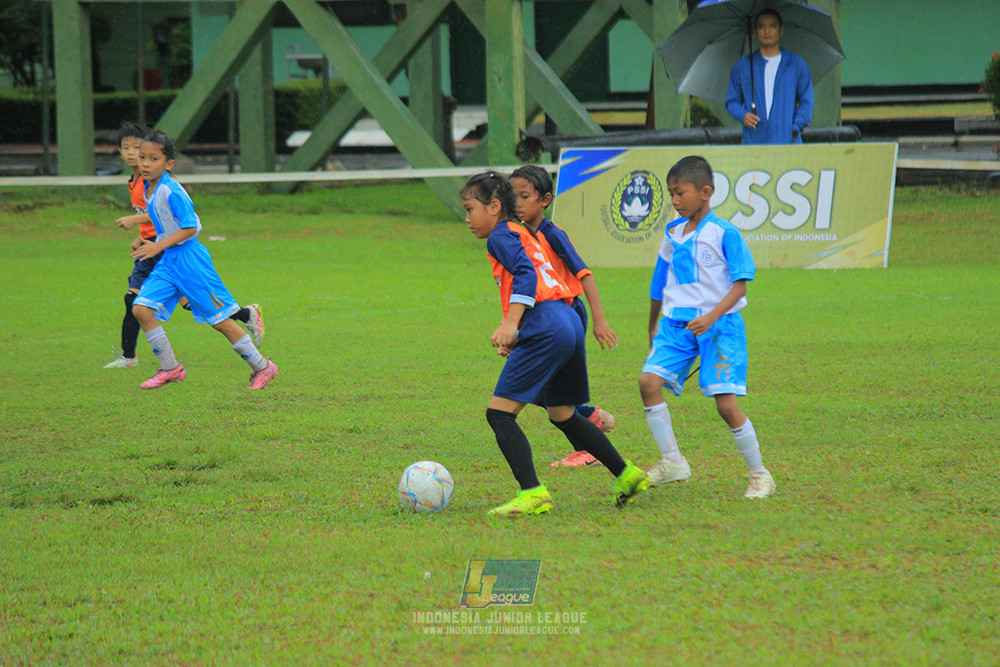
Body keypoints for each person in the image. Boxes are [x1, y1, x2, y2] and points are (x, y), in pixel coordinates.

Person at [461, 171, 649, 516]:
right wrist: (517, 332)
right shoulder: (524, 232)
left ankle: (532, 493)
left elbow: (527, 275)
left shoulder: (500, 236)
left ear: (494, 207)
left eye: (470, 209)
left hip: (546, 323)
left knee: (499, 415)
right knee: (562, 414)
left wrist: (512, 323)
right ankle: (627, 474)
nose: (467, 218)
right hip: (568, 322)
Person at [639, 156, 775, 499]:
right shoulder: (672, 234)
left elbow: (741, 285)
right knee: (648, 383)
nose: (674, 200)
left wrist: (711, 317)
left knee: (726, 405)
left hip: (719, 327)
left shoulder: (725, 232)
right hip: (677, 325)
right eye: (671, 194)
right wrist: (654, 324)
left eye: (680, 192)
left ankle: (760, 474)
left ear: (705, 192)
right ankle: (672, 462)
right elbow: (659, 284)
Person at [106, 122, 266, 368]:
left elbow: (190, 226)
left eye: (149, 155)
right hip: (163, 253)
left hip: (180, 254)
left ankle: (260, 361)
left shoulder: (168, 189)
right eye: (136, 154)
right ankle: (157, 365)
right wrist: (144, 237)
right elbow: (161, 218)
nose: (140, 160)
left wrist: (151, 239)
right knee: (138, 305)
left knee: (213, 316)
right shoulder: (144, 185)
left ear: (168, 163)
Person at [509, 165, 617, 468]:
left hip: (566, 314)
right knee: (531, 387)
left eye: (525, 196)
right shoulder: (517, 235)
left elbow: (584, 274)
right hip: (542, 317)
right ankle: (589, 416)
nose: (517, 203)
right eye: (512, 196)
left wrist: (599, 319)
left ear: (545, 199)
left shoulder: (553, 235)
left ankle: (587, 447)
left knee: (545, 387)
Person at [725, 8, 813, 145]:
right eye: (761, 27)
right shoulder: (742, 67)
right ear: (755, 32)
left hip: (788, 143)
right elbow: (731, 101)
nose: (767, 31)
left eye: (772, 26)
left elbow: (807, 102)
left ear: (780, 31)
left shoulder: (796, 65)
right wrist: (743, 115)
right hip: (753, 143)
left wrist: (795, 127)